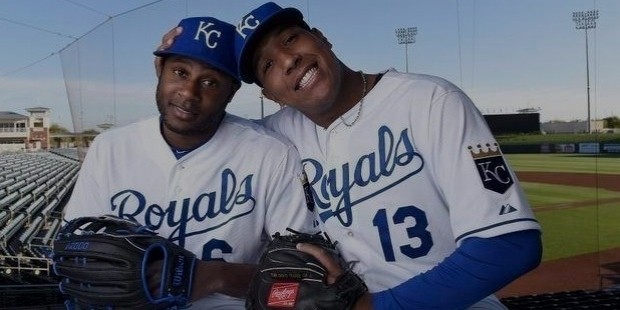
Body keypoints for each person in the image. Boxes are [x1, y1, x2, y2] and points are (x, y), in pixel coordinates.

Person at [157, 3, 543, 309]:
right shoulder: (274, 134)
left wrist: (374, 307)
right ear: (271, 95)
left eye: (290, 39)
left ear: (322, 38)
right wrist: (170, 65)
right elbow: (200, 118)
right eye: (268, 65)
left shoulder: (429, 101)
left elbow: (510, 244)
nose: (287, 60)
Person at [63, 16, 317, 309]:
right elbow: (75, 254)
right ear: (159, 68)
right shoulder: (109, 148)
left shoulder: (270, 154)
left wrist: (217, 276)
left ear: (231, 91)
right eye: (180, 72)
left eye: (210, 82)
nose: (189, 93)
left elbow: (300, 285)